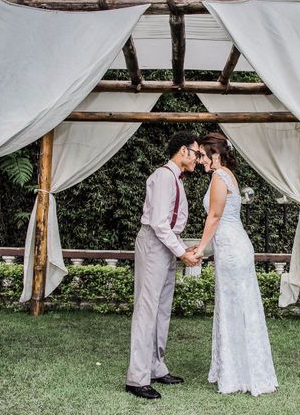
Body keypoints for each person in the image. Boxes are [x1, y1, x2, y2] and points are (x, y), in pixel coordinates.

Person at [194, 132, 278, 396]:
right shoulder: (226, 175)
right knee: (238, 306)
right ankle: (239, 369)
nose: (199, 161)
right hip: (233, 245)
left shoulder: (220, 177)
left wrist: (199, 248)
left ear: (215, 155)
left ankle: (241, 373)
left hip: (231, 248)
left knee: (236, 307)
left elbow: (215, 216)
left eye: (202, 156)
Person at [125, 131, 202, 400]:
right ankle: (137, 378)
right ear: (183, 151)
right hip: (154, 242)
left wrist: (183, 247)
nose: (198, 158)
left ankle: (156, 367)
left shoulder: (176, 179)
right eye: (196, 153)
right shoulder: (162, 177)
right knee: (147, 309)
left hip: (167, 244)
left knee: (162, 309)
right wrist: (182, 252)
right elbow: (159, 223)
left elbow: (172, 223)